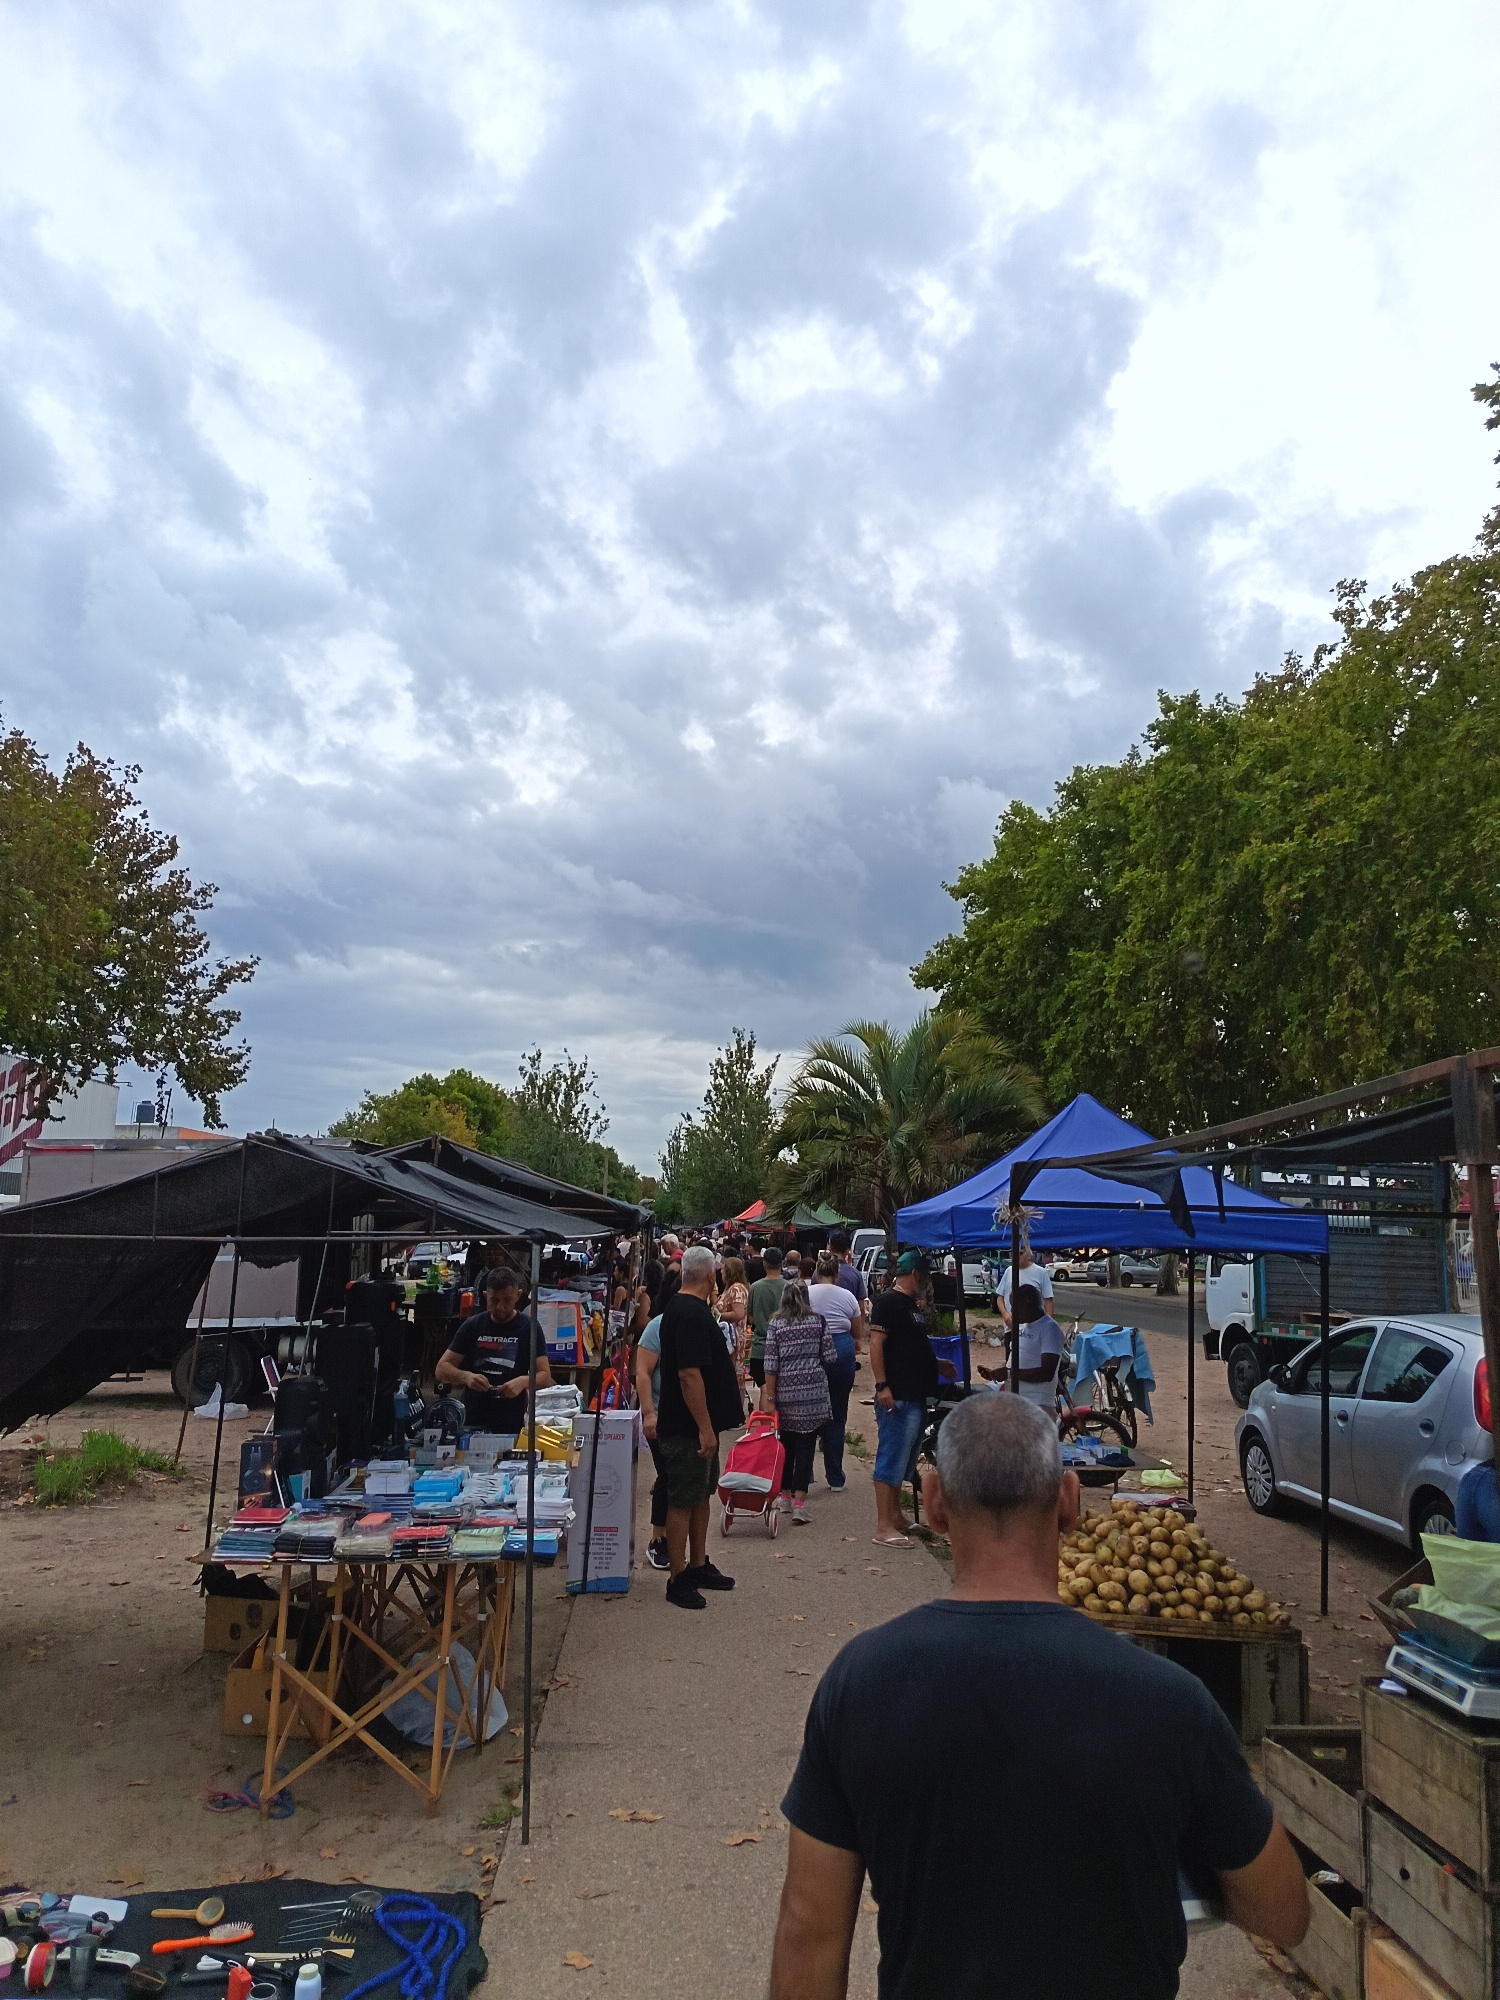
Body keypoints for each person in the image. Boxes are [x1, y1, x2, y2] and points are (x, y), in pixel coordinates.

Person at [768, 1394, 1309, 2000]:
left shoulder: (860, 1684)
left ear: (935, 1501)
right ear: (1069, 1501)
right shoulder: (1170, 1701)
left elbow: (809, 1930)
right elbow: (1285, 1913)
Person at [655, 1244, 744, 1609]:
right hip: (686, 1428)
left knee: (701, 1495)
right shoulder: (689, 1312)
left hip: (698, 1426)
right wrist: (704, 1428)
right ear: (710, 1275)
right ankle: (677, 1577)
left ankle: (698, 1563)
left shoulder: (689, 1307)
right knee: (682, 1500)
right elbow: (688, 1375)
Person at [868, 1251, 946, 1547]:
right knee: (891, 1457)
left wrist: (935, 1363)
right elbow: (876, 1344)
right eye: (925, 1275)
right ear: (915, 1273)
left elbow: (910, 1346)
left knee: (905, 1460)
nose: (928, 1281)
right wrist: (882, 1385)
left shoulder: (910, 1305)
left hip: (915, 1393)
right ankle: (883, 1526)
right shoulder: (888, 1302)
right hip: (898, 1394)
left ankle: (895, 1515)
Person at [435, 1270, 552, 1434]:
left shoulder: (530, 1328)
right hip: (472, 1418)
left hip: (511, 1421)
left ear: (518, 1295)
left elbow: (545, 1376)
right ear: (485, 1296)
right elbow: (442, 1369)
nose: (500, 1307)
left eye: (507, 1300)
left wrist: (523, 1381)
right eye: (494, 1300)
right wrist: (466, 1377)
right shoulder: (473, 1325)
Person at [762, 1278, 838, 1526]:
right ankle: (800, 1504)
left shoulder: (776, 1324)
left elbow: (770, 1364)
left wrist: (770, 1398)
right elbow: (830, 1356)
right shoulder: (818, 1321)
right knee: (806, 1448)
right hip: (812, 1394)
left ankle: (784, 1496)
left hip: (785, 1393)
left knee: (786, 1445)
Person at [809, 1251, 867, 1491]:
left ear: (817, 1271)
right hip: (841, 1348)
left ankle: (803, 1474)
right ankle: (835, 1477)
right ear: (837, 1273)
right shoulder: (848, 1297)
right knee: (838, 1412)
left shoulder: (806, 1293)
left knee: (807, 1411)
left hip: (812, 1347)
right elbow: (857, 1332)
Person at [980, 1285, 1063, 1407]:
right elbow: (1018, 1359)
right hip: (1015, 1400)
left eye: (1015, 1307)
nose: (1012, 1311)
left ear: (1028, 1305)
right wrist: (997, 1372)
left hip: (1036, 1403)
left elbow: (1046, 1373)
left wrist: (1009, 1374)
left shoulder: (1050, 1329)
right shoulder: (1023, 1327)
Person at [634, 1307, 669, 1570]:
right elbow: (643, 1372)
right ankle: (658, 1539)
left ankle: (675, 1540)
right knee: (667, 1476)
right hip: (660, 1415)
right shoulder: (656, 1327)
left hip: (690, 1418)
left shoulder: (702, 1321)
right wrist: (649, 1414)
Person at [747, 1244, 786, 1390]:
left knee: (765, 1391)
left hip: (760, 1349)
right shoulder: (789, 1287)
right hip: (784, 1348)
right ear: (782, 1263)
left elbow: (751, 1319)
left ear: (764, 1264)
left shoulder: (755, 1287)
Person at [998, 1244, 1053, 1330]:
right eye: (1013, 1253)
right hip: (1011, 1328)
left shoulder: (1041, 1272)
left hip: (1034, 1329)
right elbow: (1000, 1297)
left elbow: (1048, 1302)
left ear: (1028, 1254)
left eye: (1020, 1253)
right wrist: (1005, 1314)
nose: (1016, 1256)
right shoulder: (1008, 1271)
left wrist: (1047, 1326)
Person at [828, 1230, 866, 1308]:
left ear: (830, 1248)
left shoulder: (819, 1273)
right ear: (848, 1251)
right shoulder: (855, 1275)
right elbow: (861, 1307)